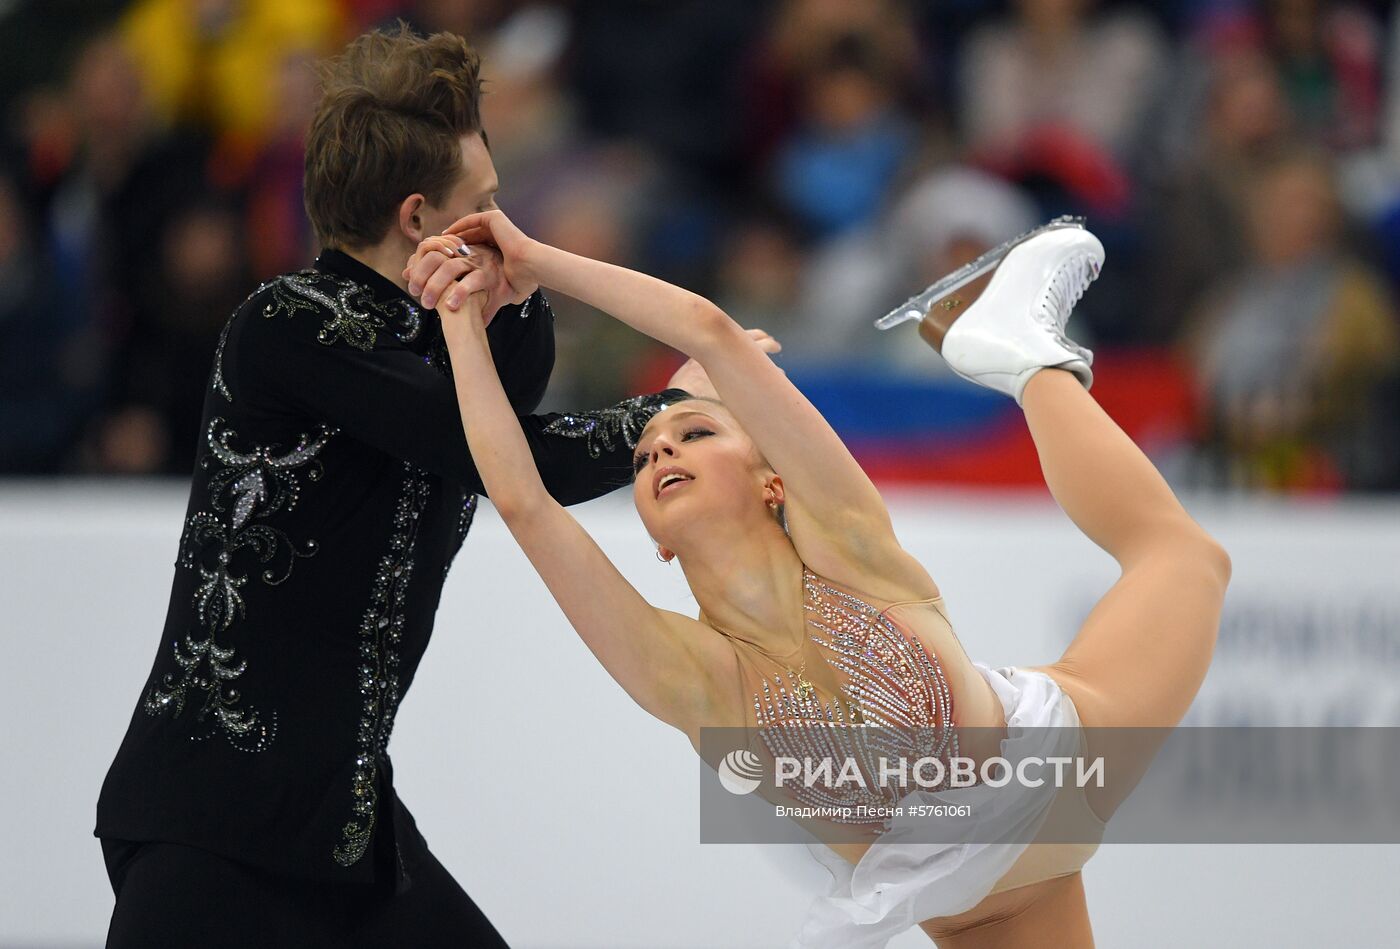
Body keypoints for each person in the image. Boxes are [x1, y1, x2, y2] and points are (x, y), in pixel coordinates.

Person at [414, 209, 1230, 947]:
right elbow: (523, 501)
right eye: (646, 455)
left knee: (1185, 557)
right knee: (1181, 559)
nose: (660, 450)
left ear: (775, 481)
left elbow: (711, 330)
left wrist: (532, 258)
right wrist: (456, 320)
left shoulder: (848, 544)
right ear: (654, 539)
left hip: (1057, 758)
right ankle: (1013, 349)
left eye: (694, 432)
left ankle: (1024, 356)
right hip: (983, 905)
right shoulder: (696, 678)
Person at [92, 27, 729, 948]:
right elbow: (502, 455)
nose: (508, 227)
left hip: (345, 841)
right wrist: (677, 416)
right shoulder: (286, 325)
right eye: (490, 207)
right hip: (213, 837)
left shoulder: (432, 349)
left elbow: (501, 412)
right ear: (422, 216)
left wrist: (518, 294)